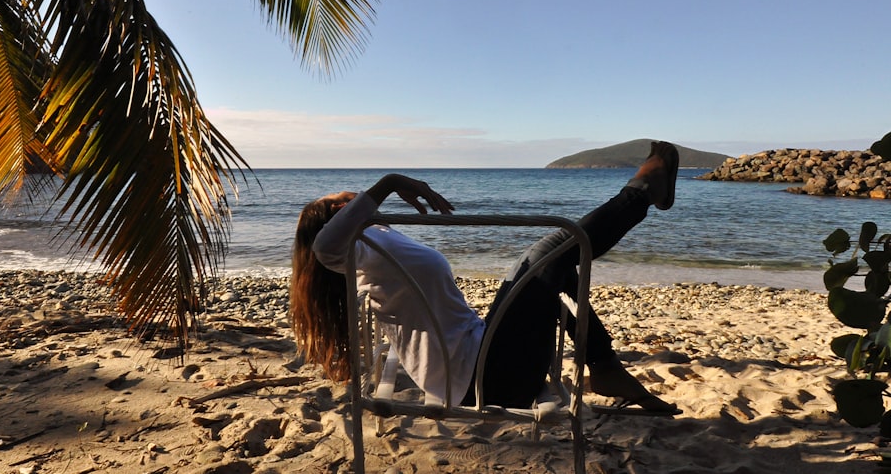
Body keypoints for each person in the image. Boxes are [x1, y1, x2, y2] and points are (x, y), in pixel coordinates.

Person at [290, 141, 682, 415]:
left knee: (551, 259)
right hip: (484, 379)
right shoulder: (357, 251)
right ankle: (642, 190)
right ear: (340, 216)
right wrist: (390, 182)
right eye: (341, 202)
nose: (350, 196)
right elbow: (324, 247)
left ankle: (605, 365)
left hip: (486, 356)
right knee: (554, 250)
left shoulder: (377, 242)